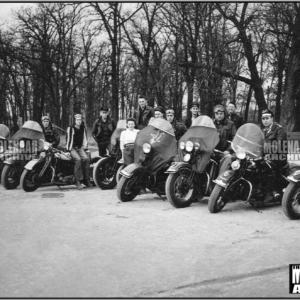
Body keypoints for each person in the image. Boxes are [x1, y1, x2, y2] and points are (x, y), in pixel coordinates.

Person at [261, 109, 288, 201]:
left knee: (267, 164)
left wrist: (269, 154)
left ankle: (272, 191)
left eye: (267, 118)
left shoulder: (279, 129)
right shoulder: (264, 130)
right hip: (267, 155)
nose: (265, 120)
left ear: (272, 118)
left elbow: (279, 146)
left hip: (279, 156)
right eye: (263, 118)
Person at [66, 114, 91, 190]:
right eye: (77, 120)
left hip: (79, 148)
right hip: (72, 148)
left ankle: (86, 179)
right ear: (75, 120)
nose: (79, 121)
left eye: (80, 120)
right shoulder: (71, 128)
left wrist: (85, 148)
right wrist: (68, 150)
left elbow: (84, 138)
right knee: (78, 160)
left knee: (86, 159)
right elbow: (69, 140)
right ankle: (78, 181)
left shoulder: (83, 127)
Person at [213, 104, 236, 175]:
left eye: (221, 113)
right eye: (217, 114)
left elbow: (234, 138)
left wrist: (228, 150)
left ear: (224, 114)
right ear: (214, 114)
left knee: (228, 159)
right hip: (212, 151)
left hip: (224, 152)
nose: (219, 115)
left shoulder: (230, 124)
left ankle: (220, 181)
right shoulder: (210, 124)